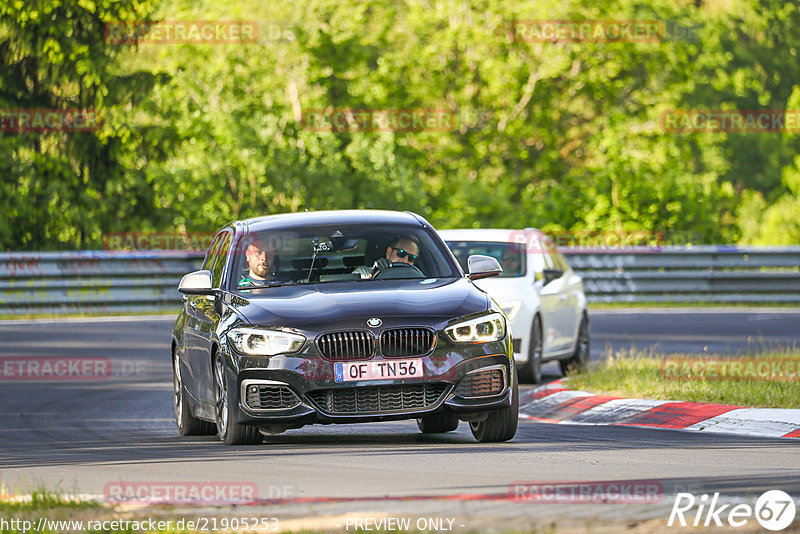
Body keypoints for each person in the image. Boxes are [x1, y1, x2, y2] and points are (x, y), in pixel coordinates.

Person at [353, 235, 420, 279]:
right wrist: (372, 275)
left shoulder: (418, 279)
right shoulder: (364, 272)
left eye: (411, 257)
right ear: (389, 252)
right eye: (401, 253)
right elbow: (356, 292)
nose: (405, 261)